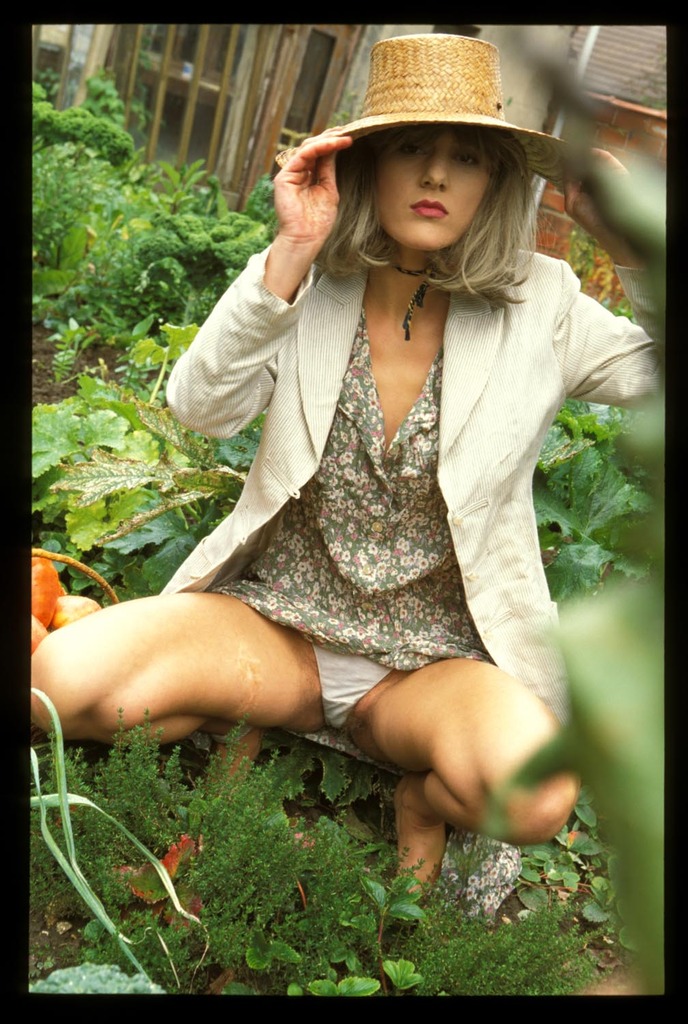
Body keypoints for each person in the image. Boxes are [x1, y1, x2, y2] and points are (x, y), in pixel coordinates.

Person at [32, 33, 660, 885]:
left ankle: (417, 797)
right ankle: (239, 711)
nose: (436, 175)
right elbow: (200, 409)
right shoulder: (310, 278)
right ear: (365, 163)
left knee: (538, 799)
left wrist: (632, 246)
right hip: (280, 624)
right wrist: (289, 250)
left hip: (434, 663)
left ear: (494, 181)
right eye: (411, 148)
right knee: (60, 684)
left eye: (466, 157)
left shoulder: (541, 303)